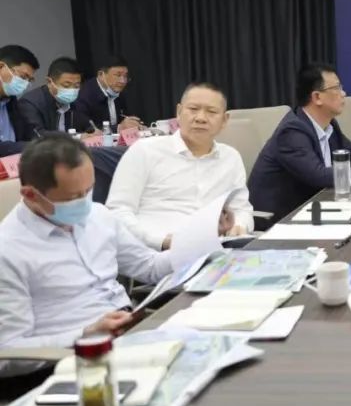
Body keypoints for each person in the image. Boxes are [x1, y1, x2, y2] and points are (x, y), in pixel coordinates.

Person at [0, 135, 173, 349]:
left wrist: (197, 243)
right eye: (73, 197)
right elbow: (9, 347)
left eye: (89, 190)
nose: (84, 203)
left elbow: (149, 267)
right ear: (30, 195)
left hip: (130, 327)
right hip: (74, 354)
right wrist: (86, 333)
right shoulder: (8, 251)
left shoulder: (98, 216)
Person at [106, 82, 253, 250]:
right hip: (155, 253)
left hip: (216, 250)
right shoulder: (144, 151)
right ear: (179, 112)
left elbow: (241, 209)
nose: (201, 118)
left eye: (211, 112)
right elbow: (118, 212)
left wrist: (240, 226)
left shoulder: (230, 157)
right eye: (193, 109)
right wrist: (161, 241)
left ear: (224, 120)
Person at [249, 64, 351, 222]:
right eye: (336, 88)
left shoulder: (328, 124)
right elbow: (318, 175)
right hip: (281, 219)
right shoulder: (292, 132)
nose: (343, 93)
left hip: (314, 208)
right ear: (317, 97)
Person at [17, 57, 95, 137]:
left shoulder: (74, 101)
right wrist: (76, 137)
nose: (72, 90)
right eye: (66, 86)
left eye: (76, 86)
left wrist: (93, 131)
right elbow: (38, 135)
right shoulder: (29, 103)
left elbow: (87, 126)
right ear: (49, 82)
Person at [74, 55, 141, 132]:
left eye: (125, 76)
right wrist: (118, 128)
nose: (123, 81)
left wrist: (133, 124)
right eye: (118, 75)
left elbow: (124, 117)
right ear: (101, 75)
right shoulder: (84, 96)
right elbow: (86, 128)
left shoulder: (118, 91)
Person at [0, 44, 39, 156]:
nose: (25, 84)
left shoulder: (11, 101)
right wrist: (32, 147)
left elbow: (28, 132)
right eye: (23, 77)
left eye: (29, 80)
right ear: (1, 66)